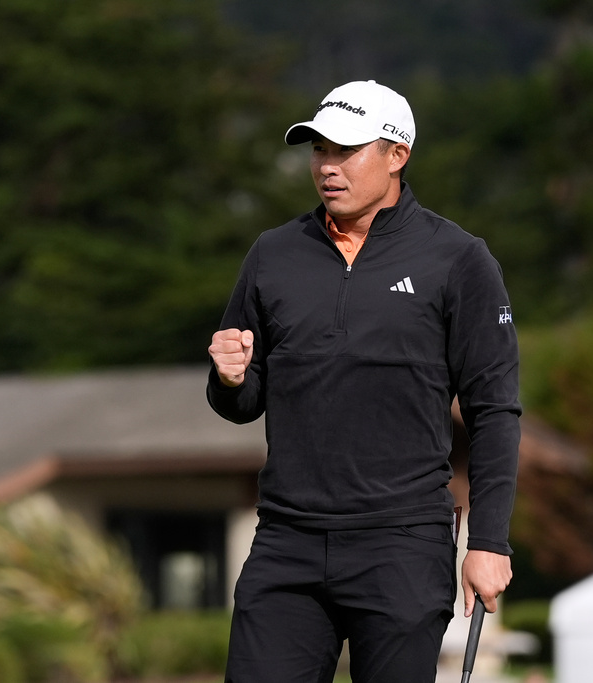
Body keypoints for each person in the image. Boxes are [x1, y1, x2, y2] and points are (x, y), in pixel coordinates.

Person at [207, 80, 521, 683]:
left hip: (403, 544)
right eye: (319, 150)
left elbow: (495, 411)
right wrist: (228, 377)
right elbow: (242, 403)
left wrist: (489, 541)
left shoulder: (458, 259)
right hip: (287, 542)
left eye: (346, 150)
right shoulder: (273, 253)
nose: (328, 166)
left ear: (397, 155)